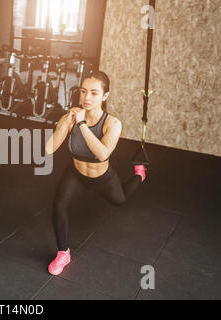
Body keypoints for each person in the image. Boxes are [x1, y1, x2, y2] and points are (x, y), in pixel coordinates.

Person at [45, 71, 147, 276]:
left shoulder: (113, 123)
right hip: (76, 173)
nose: (86, 98)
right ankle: (63, 253)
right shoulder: (71, 117)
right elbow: (49, 149)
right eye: (83, 92)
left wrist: (82, 124)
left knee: (120, 200)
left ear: (105, 96)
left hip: (102, 177)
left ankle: (140, 174)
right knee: (59, 204)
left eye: (93, 93)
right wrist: (66, 123)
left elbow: (102, 154)